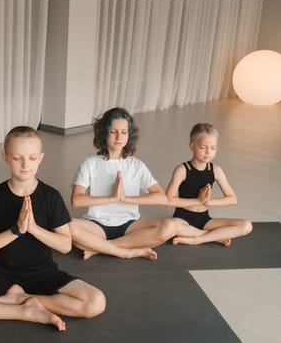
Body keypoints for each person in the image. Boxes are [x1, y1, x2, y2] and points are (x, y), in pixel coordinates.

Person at [0, 126, 105, 331]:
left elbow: (65, 245)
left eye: (32, 158)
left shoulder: (51, 197)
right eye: (17, 158)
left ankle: (23, 298)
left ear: (41, 158)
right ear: (5, 157)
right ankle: (24, 311)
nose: (26, 165)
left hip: (42, 273)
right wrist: (16, 230)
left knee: (96, 302)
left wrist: (33, 228)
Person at [69, 107, 192, 261]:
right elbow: (76, 200)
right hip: (97, 225)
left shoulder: (136, 165)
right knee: (67, 226)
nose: (119, 136)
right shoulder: (90, 163)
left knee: (171, 226)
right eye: (113, 132)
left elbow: (161, 198)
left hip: (130, 226)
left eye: (124, 132)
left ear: (129, 134)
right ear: (104, 133)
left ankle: (101, 248)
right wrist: (112, 198)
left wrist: (125, 198)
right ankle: (124, 251)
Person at [165, 123, 252, 246]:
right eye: (203, 147)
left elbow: (232, 199)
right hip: (182, 219)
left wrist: (207, 202)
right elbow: (168, 201)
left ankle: (198, 238)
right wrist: (198, 200)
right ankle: (213, 236)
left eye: (213, 148)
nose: (208, 153)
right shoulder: (182, 170)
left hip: (205, 220)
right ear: (191, 146)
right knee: (170, 226)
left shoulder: (216, 170)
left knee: (246, 226)